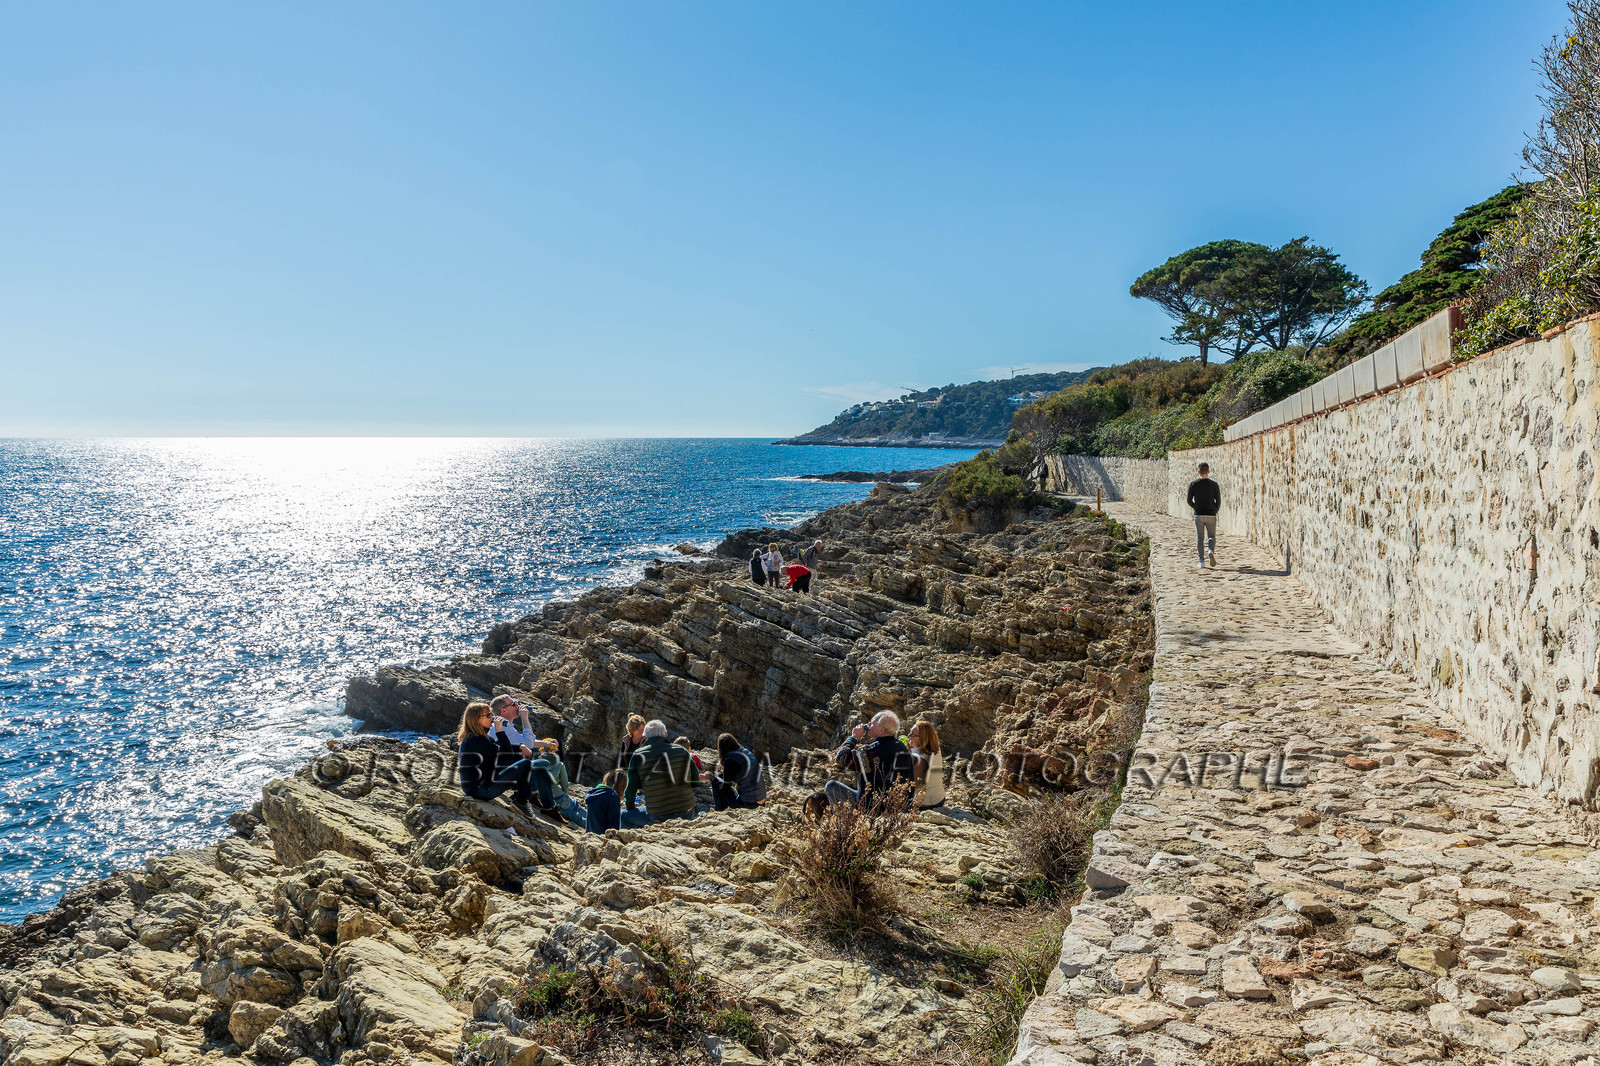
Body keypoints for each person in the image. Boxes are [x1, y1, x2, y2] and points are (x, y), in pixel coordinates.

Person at [455, 702, 539, 820]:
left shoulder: (480, 736)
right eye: (488, 715)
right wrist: (500, 731)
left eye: (491, 714)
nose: (492, 717)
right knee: (525, 764)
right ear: (476, 720)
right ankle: (522, 801)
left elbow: (499, 749)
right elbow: (506, 756)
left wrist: (520, 746)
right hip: (480, 791)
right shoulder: (475, 741)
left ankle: (518, 795)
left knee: (519, 756)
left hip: (482, 784)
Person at [826, 711, 914, 810]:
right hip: (898, 807)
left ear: (882, 730)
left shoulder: (874, 750)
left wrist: (854, 737)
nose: (868, 725)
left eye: (871, 724)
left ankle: (845, 821)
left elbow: (841, 757)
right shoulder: (901, 746)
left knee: (831, 786)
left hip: (873, 807)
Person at [622, 719, 700, 826]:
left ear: (645, 737)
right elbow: (695, 781)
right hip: (687, 812)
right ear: (665, 734)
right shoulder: (682, 750)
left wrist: (630, 806)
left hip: (658, 816)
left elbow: (631, 788)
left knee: (624, 815)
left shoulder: (638, 755)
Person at [530, 737, 582, 822]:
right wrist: (565, 794)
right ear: (554, 751)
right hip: (559, 796)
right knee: (577, 808)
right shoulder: (559, 765)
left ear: (540, 749)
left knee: (572, 815)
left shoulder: (533, 762)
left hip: (541, 799)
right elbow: (564, 785)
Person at [711, 732, 768, 810]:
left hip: (749, 804)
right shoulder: (746, 752)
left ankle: (719, 809)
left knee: (715, 781)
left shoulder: (730, 761)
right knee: (719, 778)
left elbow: (725, 788)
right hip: (761, 800)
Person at [1187, 462, 1220, 571]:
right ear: (1208, 471)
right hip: (1211, 514)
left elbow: (1189, 500)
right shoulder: (1214, 485)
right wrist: (1215, 509)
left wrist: (1195, 507)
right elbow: (1218, 500)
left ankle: (1201, 562)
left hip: (1199, 514)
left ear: (1199, 472)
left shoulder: (1193, 484)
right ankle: (1211, 550)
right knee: (1212, 536)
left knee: (1200, 538)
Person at [908, 719, 945, 808]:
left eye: (913, 735)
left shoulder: (920, 758)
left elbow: (913, 786)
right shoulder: (935, 748)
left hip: (927, 803)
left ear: (923, 738)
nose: (909, 736)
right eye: (910, 732)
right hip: (939, 797)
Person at [585, 768, 625, 834]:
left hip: (589, 833)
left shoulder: (593, 792)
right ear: (620, 786)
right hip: (602, 835)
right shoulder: (613, 797)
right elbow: (614, 824)